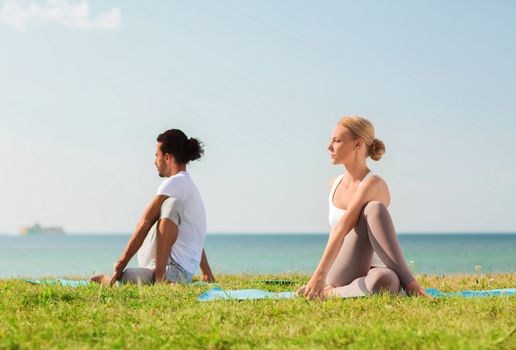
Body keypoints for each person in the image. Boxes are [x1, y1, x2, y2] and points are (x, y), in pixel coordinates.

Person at [297, 116, 432, 300]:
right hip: (343, 270)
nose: (329, 147)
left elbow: (349, 224)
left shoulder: (374, 184)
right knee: (374, 208)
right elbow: (342, 227)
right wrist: (319, 275)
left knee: (385, 282)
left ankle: (330, 294)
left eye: (336, 141)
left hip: (376, 269)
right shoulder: (333, 184)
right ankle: (411, 285)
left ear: (358, 145)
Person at [90, 129, 215, 285]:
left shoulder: (175, 182)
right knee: (169, 207)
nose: (154, 161)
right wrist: (207, 272)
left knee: (125, 278)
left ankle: (157, 277)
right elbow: (191, 235)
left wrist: (122, 261)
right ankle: (157, 276)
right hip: (181, 272)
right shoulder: (187, 185)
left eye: (157, 155)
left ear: (167, 157)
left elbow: (145, 222)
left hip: (173, 271)